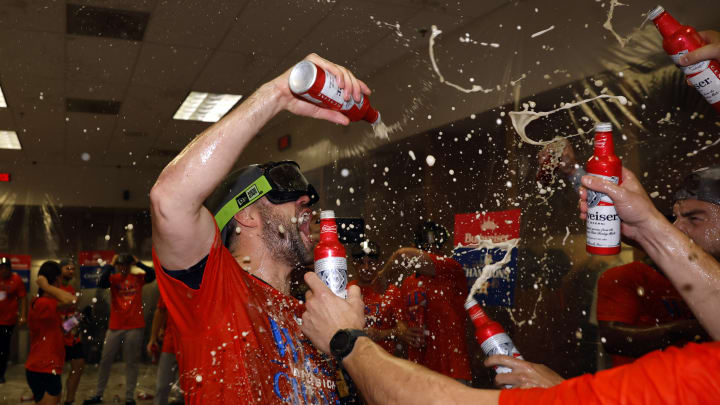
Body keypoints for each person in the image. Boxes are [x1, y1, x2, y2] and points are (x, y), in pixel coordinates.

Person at [299, 166, 720, 404]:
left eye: (693, 219)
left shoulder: (693, 377)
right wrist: (649, 227)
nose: (677, 229)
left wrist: (346, 341)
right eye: (673, 217)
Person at [149, 54, 370, 403]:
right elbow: (168, 200)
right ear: (245, 215)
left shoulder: (312, 315)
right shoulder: (215, 294)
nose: (306, 201)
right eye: (287, 187)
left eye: (307, 194)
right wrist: (279, 94)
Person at [385, 221, 472, 382]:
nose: (432, 250)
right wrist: (403, 331)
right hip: (419, 374)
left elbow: (403, 255)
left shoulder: (451, 269)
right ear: (416, 246)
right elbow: (401, 322)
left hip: (452, 374)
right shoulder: (408, 283)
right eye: (425, 246)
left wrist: (382, 277)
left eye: (437, 244)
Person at [84, 254, 155, 405]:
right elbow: (101, 282)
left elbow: (152, 274)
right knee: (105, 361)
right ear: (118, 265)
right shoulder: (114, 278)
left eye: (126, 265)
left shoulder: (137, 278)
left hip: (134, 326)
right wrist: (111, 264)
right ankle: (98, 394)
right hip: (115, 326)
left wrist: (138, 262)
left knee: (131, 362)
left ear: (130, 265)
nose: (123, 268)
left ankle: (130, 397)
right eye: (121, 265)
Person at [347, 240, 421, 354]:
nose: (366, 268)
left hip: (384, 361)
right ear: (353, 264)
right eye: (361, 262)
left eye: (371, 262)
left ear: (379, 263)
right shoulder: (347, 290)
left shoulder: (392, 292)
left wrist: (381, 334)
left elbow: (403, 330)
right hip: (353, 361)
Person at [26, 261, 76, 405]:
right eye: (60, 278)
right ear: (55, 279)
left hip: (45, 366)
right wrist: (46, 286)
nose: (62, 282)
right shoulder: (43, 303)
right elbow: (71, 299)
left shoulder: (45, 303)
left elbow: (59, 329)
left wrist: (76, 320)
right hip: (45, 368)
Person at [58, 259, 85, 405]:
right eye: (68, 268)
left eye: (73, 269)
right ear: (60, 269)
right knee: (54, 370)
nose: (71, 271)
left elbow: (71, 313)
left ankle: (70, 400)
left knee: (79, 365)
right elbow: (52, 307)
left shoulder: (71, 288)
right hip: (56, 335)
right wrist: (69, 302)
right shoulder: (53, 287)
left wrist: (79, 319)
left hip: (70, 334)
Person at [146, 295, 179, 405]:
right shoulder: (170, 283)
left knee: (171, 389)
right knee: (164, 387)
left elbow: (161, 311)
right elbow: (161, 310)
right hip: (174, 343)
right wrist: (154, 336)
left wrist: (154, 337)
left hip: (190, 346)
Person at [0, 256, 27, 384]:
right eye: (1, 268)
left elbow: (22, 298)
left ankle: (1, 373)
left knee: (3, 348)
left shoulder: (16, 280)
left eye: (6, 268)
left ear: (10, 269)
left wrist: (23, 316)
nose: (3, 270)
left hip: (8, 321)